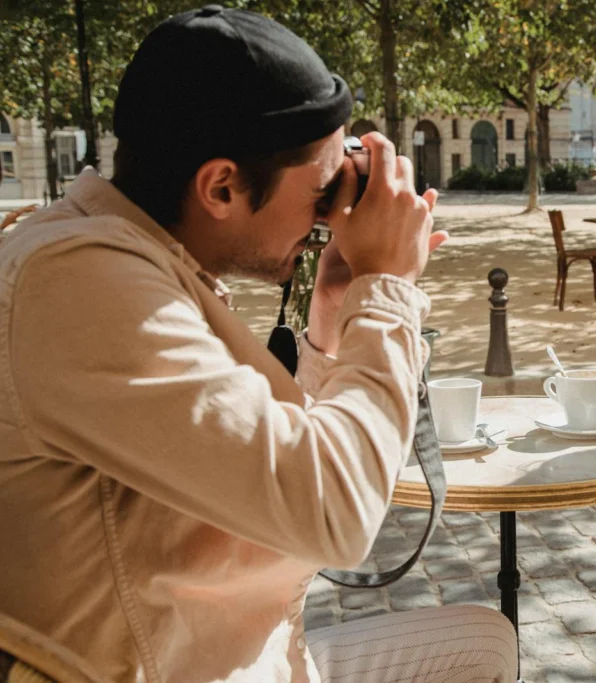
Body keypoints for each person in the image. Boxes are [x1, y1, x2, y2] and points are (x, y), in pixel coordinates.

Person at [0, 6, 516, 683]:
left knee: (484, 643)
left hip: (255, 654)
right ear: (221, 186)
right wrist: (387, 287)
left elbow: (279, 455)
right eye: (324, 189)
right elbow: (334, 512)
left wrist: (334, 314)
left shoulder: (140, 260)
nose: (334, 213)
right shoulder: (75, 284)